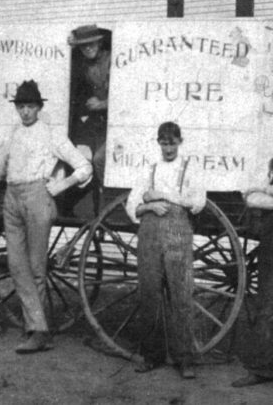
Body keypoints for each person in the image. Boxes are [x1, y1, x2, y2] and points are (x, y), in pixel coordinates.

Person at [0, 80, 92, 354]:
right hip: (12, 199)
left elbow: (84, 167)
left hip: (38, 198)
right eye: (21, 106)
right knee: (17, 266)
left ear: (39, 108)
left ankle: (38, 332)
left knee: (36, 267)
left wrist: (59, 186)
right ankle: (38, 329)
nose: (25, 112)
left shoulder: (51, 134)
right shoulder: (14, 134)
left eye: (30, 106)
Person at [125, 122, 206, 379]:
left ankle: (184, 358)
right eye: (164, 142)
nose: (168, 148)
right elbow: (132, 206)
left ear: (180, 142)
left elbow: (197, 203)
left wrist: (162, 196)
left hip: (177, 233)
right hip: (149, 233)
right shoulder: (149, 169)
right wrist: (149, 206)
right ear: (158, 143)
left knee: (180, 294)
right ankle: (152, 355)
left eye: (172, 142)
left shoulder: (189, 168)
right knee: (149, 293)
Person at [232, 158, 273, 387]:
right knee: (267, 305)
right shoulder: (268, 165)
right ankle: (262, 368)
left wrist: (267, 193)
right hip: (272, 244)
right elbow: (251, 197)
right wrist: (266, 190)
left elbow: (260, 197)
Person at [68, 24, 110, 184]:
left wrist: (103, 104)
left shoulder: (111, 59)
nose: (88, 48)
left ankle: (106, 200)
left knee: (100, 160)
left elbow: (127, 95)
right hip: (98, 123)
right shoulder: (84, 63)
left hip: (114, 122)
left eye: (91, 43)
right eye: (83, 45)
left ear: (99, 43)